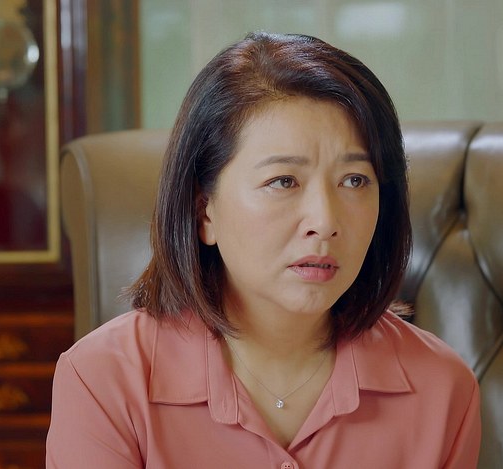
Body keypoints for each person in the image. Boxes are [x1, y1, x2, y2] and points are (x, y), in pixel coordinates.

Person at [46, 31, 480, 468]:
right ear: (203, 210)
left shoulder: (442, 389)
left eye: (354, 180)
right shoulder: (103, 381)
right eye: (283, 181)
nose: (325, 221)